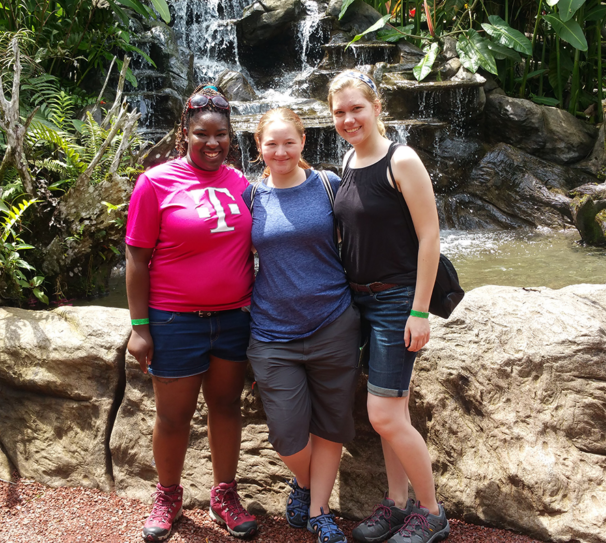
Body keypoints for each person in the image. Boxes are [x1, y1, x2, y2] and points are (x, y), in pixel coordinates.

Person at [124, 85, 259, 543]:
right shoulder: (155, 182)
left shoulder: (242, 183)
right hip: (174, 320)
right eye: (202, 134)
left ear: (230, 137)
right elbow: (137, 260)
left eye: (220, 134)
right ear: (185, 133)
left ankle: (224, 495)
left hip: (234, 320)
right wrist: (139, 327)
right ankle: (168, 495)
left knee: (225, 407)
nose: (212, 143)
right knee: (173, 417)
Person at [328, 70, 449, 543]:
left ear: (377, 108)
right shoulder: (350, 159)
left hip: (396, 300)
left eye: (356, 108)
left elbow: (430, 236)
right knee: (390, 414)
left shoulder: (403, 160)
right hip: (359, 299)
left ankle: (432, 512)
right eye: (339, 112)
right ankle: (396, 504)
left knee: (383, 414)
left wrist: (418, 311)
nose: (348, 118)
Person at [243, 108, 360, 543]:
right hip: (272, 333)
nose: (280, 151)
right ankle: (306, 483)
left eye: (288, 142)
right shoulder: (252, 198)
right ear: (258, 148)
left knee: (331, 424)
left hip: (333, 322)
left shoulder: (329, 186)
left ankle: (318, 512)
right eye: (271, 144)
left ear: (303, 142)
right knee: (287, 437)